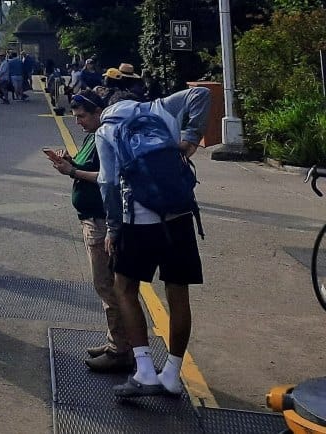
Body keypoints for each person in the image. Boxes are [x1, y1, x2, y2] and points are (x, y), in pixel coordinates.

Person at [92, 85, 211, 399]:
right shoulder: (160, 107)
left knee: (124, 288)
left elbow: (108, 183)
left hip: (139, 221)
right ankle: (171, 373)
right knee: (178, 294)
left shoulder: (106, 129)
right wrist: (190, 139)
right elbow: (201, 94)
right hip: (179, 216)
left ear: (108, 107)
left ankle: (145, 370)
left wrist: (113, 230)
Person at [45, 90, 132, 373]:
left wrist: (71, 172)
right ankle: (116, 341)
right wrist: (69, 162)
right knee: (107, 285)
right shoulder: (92, 137)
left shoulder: (104, 137)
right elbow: (89, 167)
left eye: (82, 116)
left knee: (107, 285)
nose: (78, 121)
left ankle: (120, 350)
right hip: (92, 219)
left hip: (100, 221)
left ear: (98, 113)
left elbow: (107, 177)